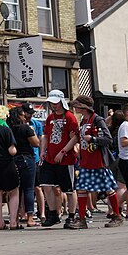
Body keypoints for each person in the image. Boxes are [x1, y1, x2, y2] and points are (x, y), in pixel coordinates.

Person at [66, 95, 121, 228]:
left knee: (108, 189)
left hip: (99, 162)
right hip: (86, 161)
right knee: (81, 189)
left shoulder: (97, 119)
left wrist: (93, 139)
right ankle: (82, 219)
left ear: (83, 107)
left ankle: (117, 215)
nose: (75, 108)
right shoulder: (83, 121)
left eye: (77, 105)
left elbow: (108, 139)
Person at [38, 90, 79, 228]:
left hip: (66, 159)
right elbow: (45, 136)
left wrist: (63, 152)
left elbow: (74, 137)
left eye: (55, 103)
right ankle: (53, 213)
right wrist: (42, 151)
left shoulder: (70, 117)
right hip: (50, 158)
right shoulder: (50, 118)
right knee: (47, 186)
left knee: (69, 189)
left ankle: (72, 215)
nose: (54, 106)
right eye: (51, 103)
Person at [8, 106, 38, 227]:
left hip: (12, 160)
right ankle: (30, 218)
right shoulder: (25, 128)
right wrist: (32, 131)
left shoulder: (8, 128)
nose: (25, 116)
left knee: (15, 190)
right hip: (26, 158)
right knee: (28, 189)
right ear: (18, 116)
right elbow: (36, 143)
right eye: (22, 114)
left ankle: (14, 218)